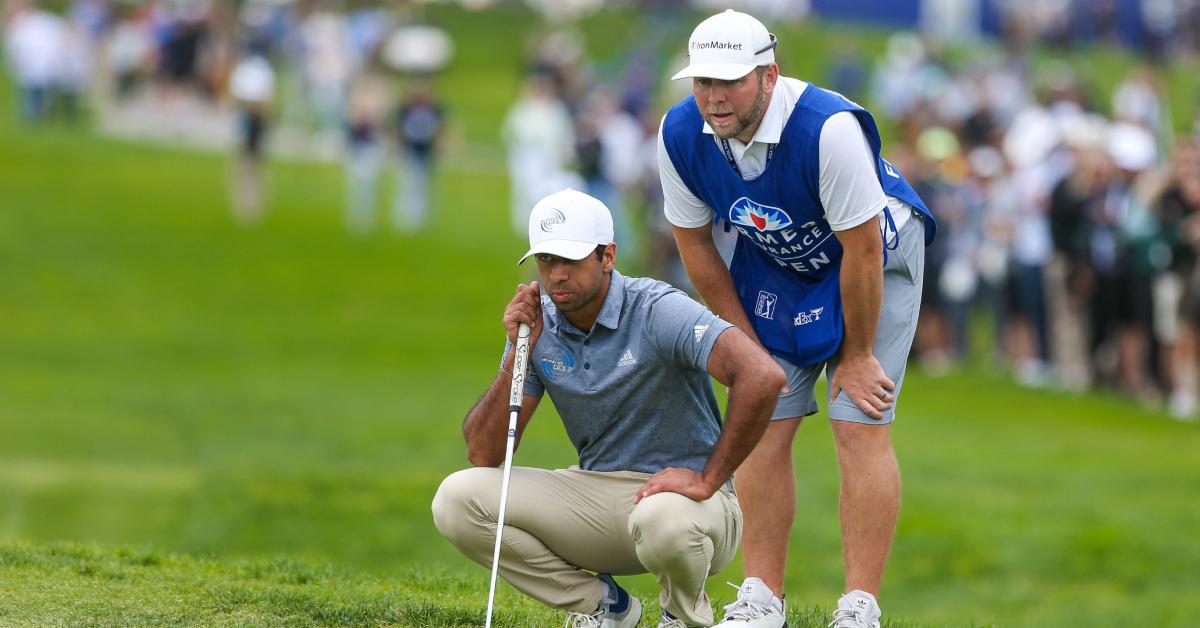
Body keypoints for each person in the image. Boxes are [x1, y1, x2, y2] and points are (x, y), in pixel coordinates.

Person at [657, 11, 936, 628]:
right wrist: (742, 347)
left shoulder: (826, 129)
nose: (714, 96)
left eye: (730, 81)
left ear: (769, 75)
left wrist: (857, 355)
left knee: (857, 419)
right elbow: (696, 246)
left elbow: (862, 250)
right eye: (703, 81)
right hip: (781, 257)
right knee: (763, 413)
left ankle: (859, 607)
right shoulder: (678, 132)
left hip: (873, 253)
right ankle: (762, 598)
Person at [431, 188, 786, 627]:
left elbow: (762, 376)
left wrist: (709, 477)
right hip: (598, 497)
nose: (556, 276)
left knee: (664, 519)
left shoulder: (657, 309)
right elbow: (485, 456)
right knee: (456, 499)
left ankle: (681, 616)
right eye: (545, 261)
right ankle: (604, 607)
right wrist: (515, 352)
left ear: (608, 256)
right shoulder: (539, 325)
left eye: (570, 261)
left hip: (694, 506)